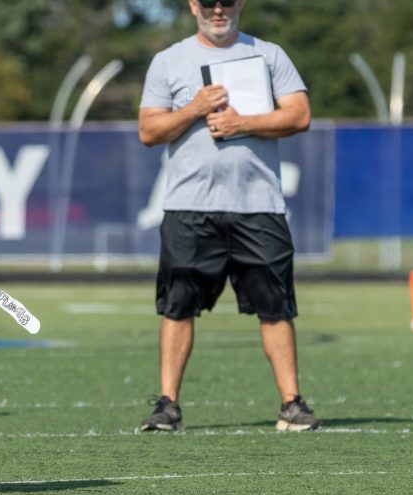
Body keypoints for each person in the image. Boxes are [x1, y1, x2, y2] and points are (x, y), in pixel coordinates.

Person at [137, 0, 321, 432]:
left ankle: (292, 403)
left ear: (241, 4)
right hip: (189, 204)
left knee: (275, 305)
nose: (218, 10)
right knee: (178, 304)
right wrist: (193, 109)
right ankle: (168, 404)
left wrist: (244, 124)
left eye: (228, 1)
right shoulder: (169, 60)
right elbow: (148, 130)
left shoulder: (269, 54)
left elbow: (300, 114)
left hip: (259, 203)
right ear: (192, 5)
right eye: (209, 2)